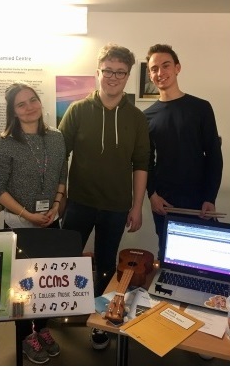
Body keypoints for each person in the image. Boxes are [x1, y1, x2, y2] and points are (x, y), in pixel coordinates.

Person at [58, 43, 150, 350]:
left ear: (126, 76)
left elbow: (141, 164)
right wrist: (60, 197)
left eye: (120, 72)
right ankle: (62, 311)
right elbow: (60, 157)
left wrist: (137, 207)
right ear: (98, 73)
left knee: (107, 266)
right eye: (108, 71)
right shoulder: (77, 110)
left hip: (115, 206)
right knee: (66, 261)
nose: (113, 77)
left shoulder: (136, 118)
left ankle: (100, 320)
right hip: (79, 203)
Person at [0, 82, 67, 364]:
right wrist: (27, 214)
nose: (29, 107)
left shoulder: (57, 137)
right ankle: (25, 336)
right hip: (19, 225)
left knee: (47, 283)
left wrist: (56, 206)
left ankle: (43, 329)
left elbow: (62, 175)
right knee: (22, 288)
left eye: (32, 100)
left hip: (50, 221)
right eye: (21, 104)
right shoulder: (6, 142)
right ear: (13, 111)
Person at [143, 44, 223, 258]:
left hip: (198, 199)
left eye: (166, 66)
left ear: (177, 68)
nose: (160, 73)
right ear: (150, 75)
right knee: (168, 255)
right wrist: (152, 195)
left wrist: (210, 196)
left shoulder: (201, 108)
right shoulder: (146, 117)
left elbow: (214, 155)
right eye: (154, 68)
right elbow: (146, 162)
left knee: (204, 257)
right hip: (164, 201)